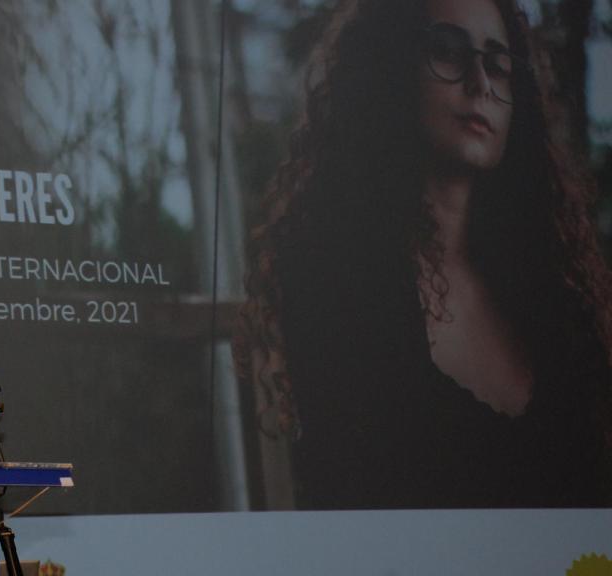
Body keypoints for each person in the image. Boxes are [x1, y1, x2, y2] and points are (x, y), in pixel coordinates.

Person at [234, 0, 612, 509]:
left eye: (499, 63)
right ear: (390, 68)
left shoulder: (550, 288)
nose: (480, 82)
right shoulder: (337, 278)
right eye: (448, 52)